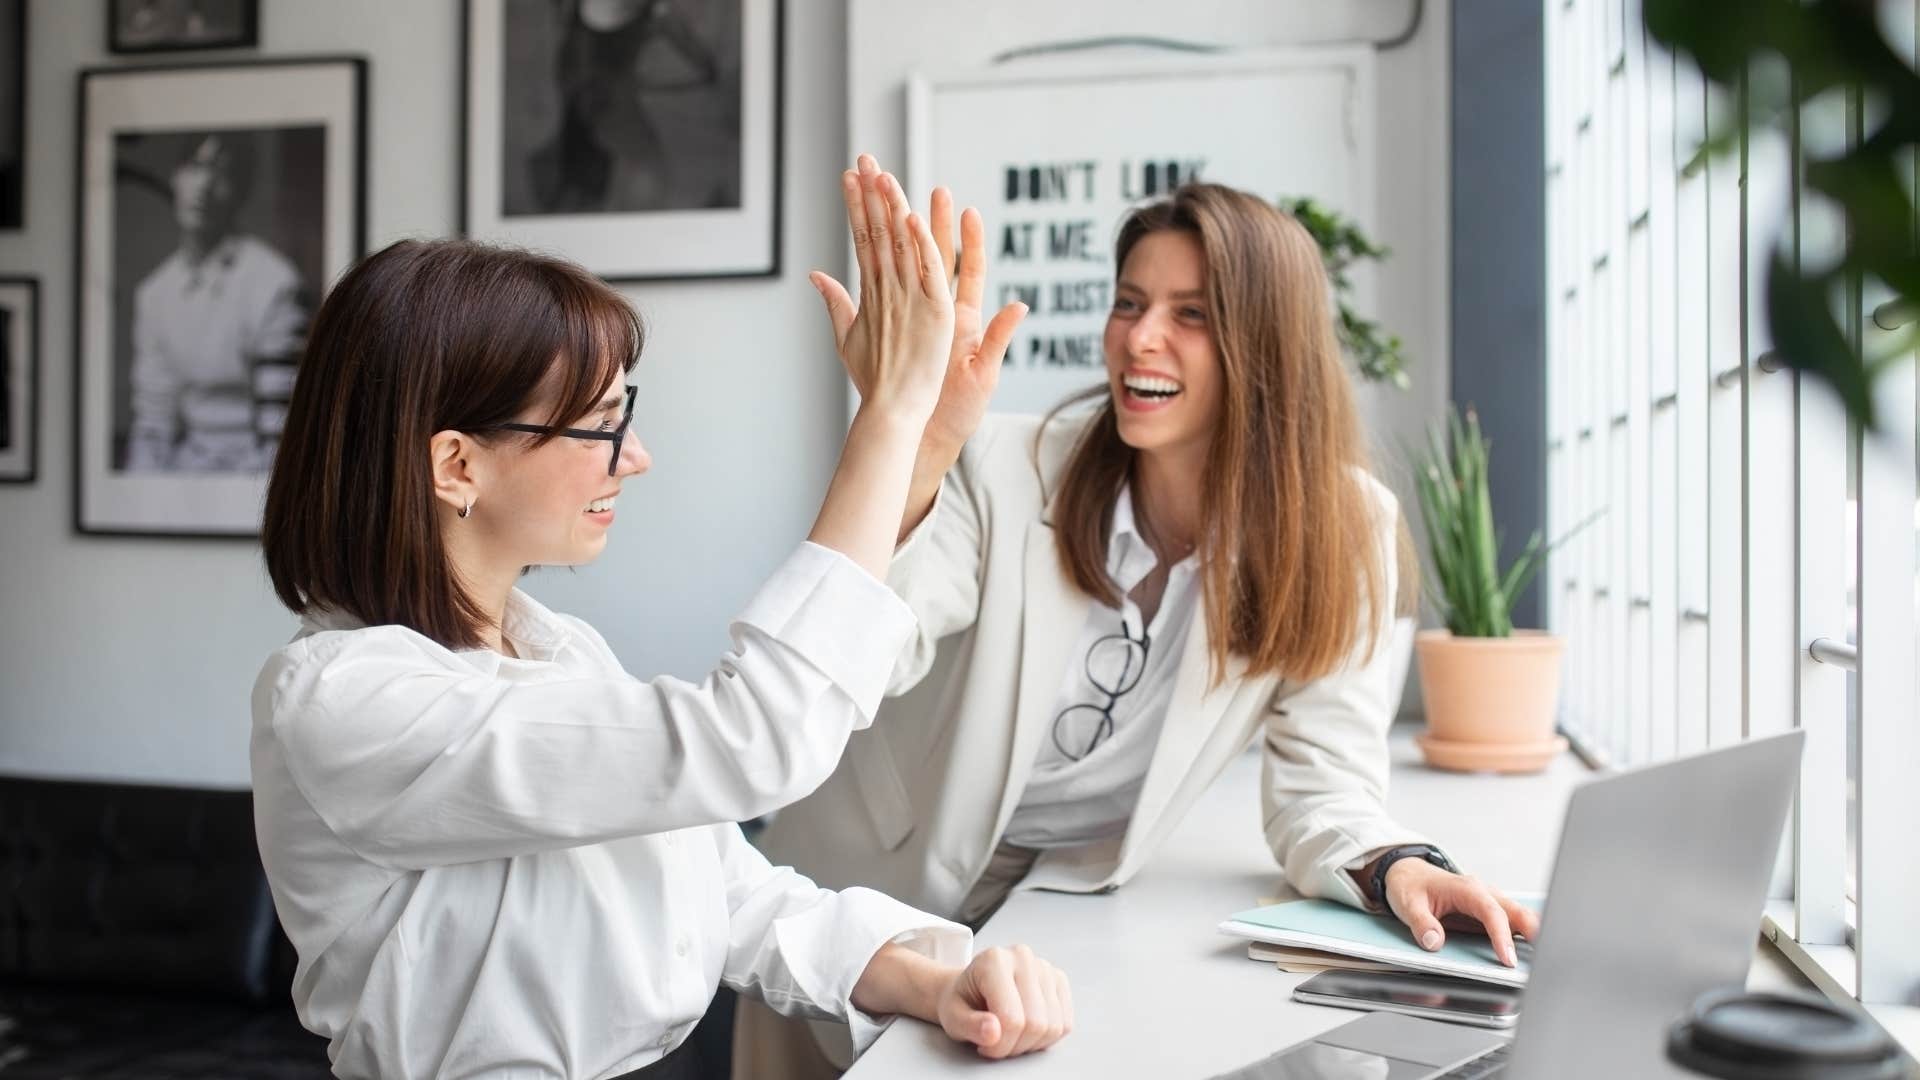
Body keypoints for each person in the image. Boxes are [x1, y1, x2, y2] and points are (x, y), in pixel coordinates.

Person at [251, 157, 1071, 1079]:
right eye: (600, 423)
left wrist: (929, 980)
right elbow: (754, 740)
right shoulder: (344, 702)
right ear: (455, 465)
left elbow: (729, 896)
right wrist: (886, 421)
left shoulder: (556, 654)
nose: (633, 457)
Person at [740, 179, 1540, 1077]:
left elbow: (1325, 786)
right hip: (860, 892)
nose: (1139, 337)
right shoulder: (1003, 466)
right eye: (1129, 302)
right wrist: (907, 445)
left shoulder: (1344, 533)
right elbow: (865, 652)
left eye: (1190, 313)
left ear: (1267, 347)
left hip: (1051, 914)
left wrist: (1400, 867)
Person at [125, 131, 306, 472]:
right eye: (194, 167)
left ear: (239, 190)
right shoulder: (155, 293)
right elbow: (152, 423)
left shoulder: (273, 282)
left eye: (221, 172)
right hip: (185, 475)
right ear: (176, 177)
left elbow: (280, 429)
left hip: (253, 475)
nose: (204, 185)